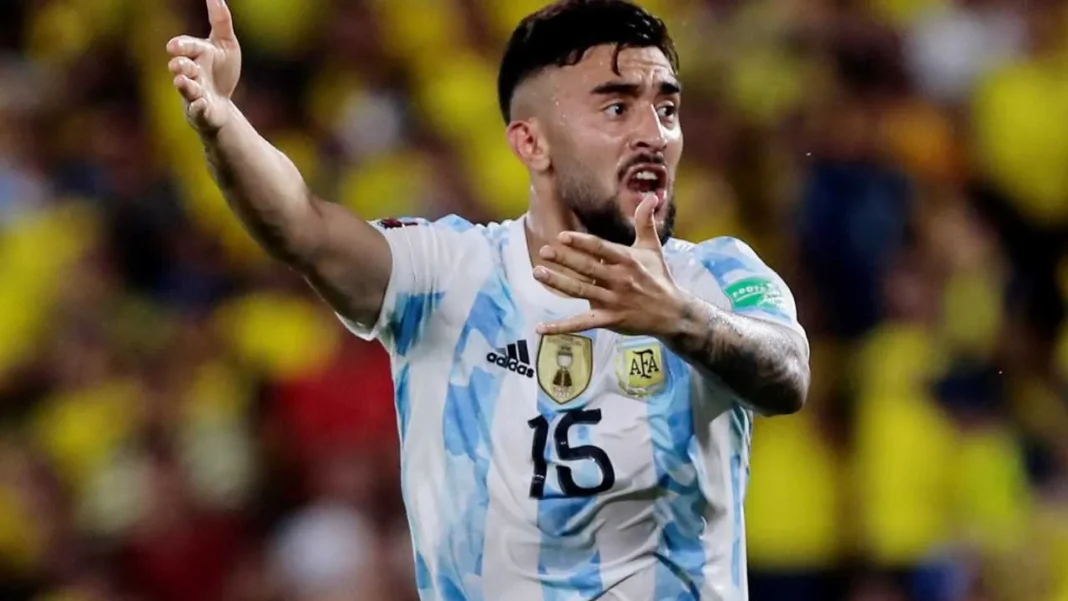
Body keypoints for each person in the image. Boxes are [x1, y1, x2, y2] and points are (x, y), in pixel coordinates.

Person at [166, 0, 811, 599]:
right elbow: (301, 226)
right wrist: (223, 124)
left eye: (666, 109)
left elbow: (788, 371)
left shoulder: (716, 276)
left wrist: (681, 319)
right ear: (531, 143)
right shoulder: (448, 273)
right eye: (617, 108)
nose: (654, 134)